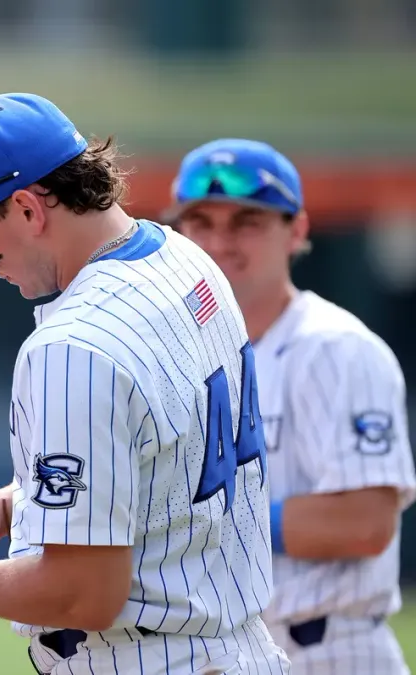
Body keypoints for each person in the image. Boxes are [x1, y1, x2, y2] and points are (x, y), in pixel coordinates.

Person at [0, 93, 292, 674]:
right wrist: (9, 508)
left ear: (27, 208)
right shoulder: (187, 261)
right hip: (237, 647)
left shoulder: (74, 344)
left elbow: (84, 593)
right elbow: (154, 462)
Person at [167, 138, 416, 673]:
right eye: (201, 222)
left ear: (297, 230)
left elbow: (364, 522)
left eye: (247, 222)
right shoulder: (180, 355)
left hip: (328, 649)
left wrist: (201, 520)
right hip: (226, 654)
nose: (219, 241)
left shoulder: (336, 349)